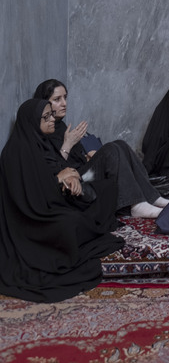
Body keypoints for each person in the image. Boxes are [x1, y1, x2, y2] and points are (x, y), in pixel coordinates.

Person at [0, 99, 124, 302]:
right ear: (32, 121)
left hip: (49, 202)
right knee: (70, 222)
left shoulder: (39, 142)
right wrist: (60, 179)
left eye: (51, 115)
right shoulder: (16, 152)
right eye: (46, 117)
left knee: (98, 195)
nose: (52, 120)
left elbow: (52, 175)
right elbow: (26, 196)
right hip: (30, 219)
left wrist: (68, 178)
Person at [34, 79, 169, 218]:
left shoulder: (59, 125)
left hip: (81, 170)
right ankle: (136, 205)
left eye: (65, 97)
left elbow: (75, 158)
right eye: (57, 99)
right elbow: (53, 170)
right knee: (111, 149)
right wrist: (68, 144)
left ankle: (152, 197)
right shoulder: (41, 132)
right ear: (44, 104)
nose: (64, 103)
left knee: (120, 144)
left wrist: (87, 155)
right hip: (73, 181)